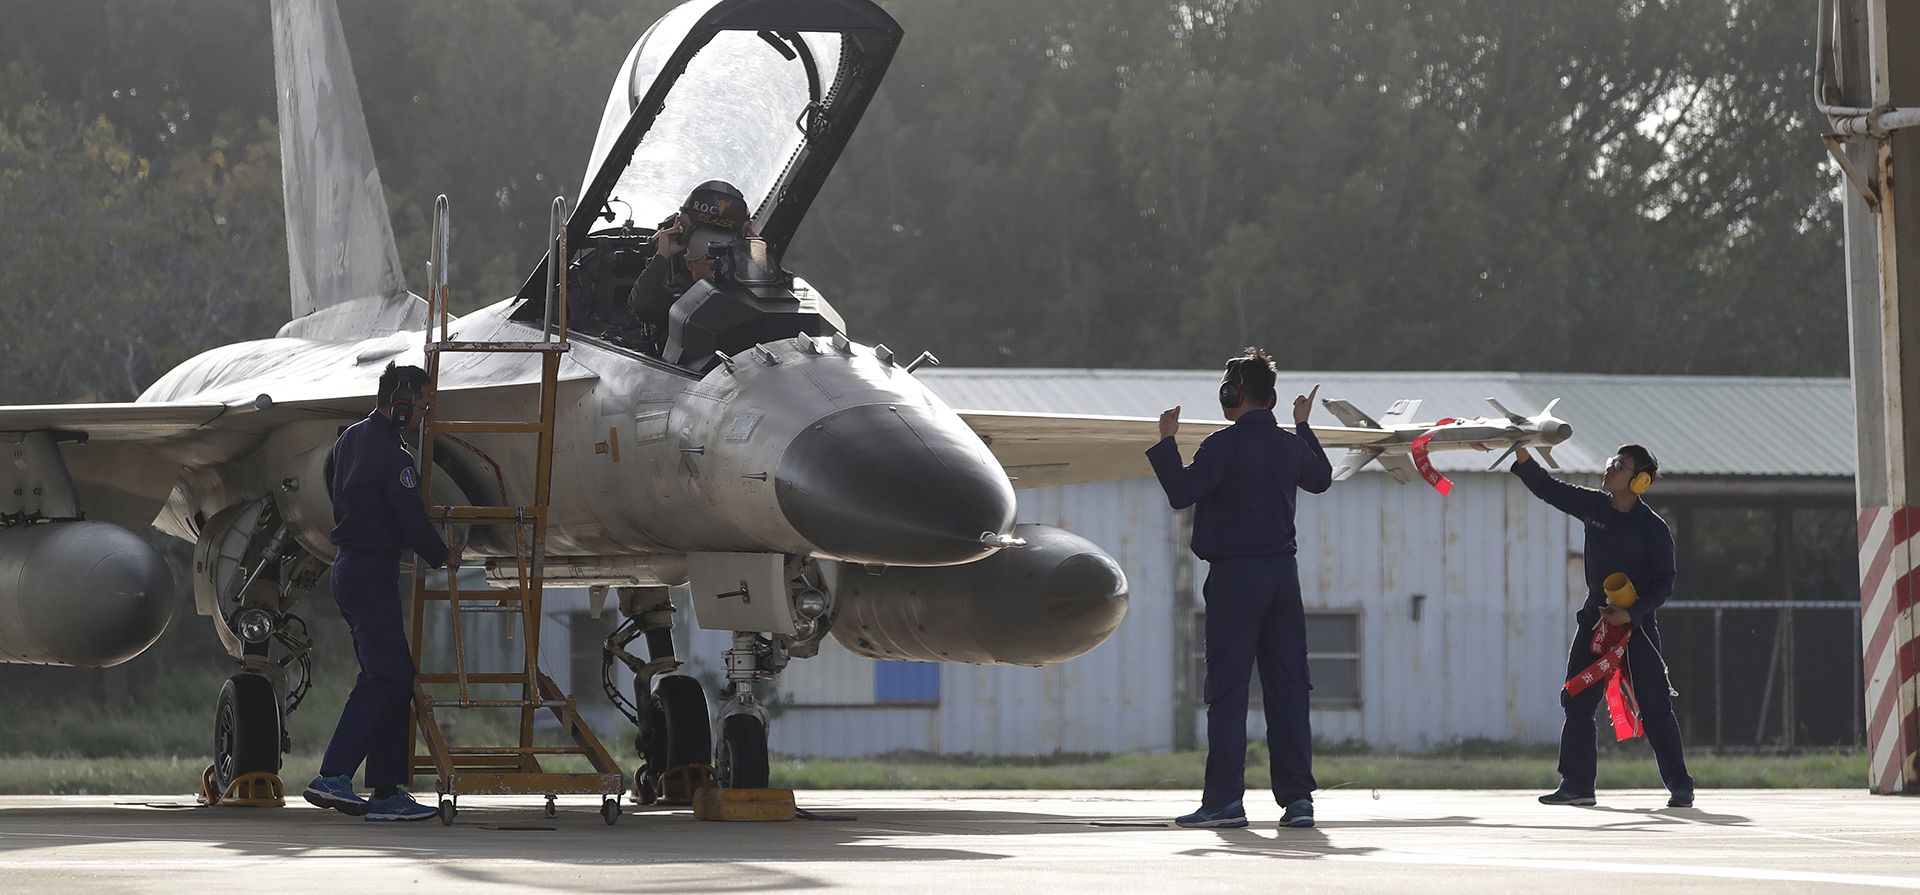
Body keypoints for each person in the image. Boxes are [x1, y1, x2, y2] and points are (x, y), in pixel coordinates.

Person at [1146, 347, 1333, 829]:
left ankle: (1225, 801)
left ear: (1235, 393)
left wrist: (1167, 442)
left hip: (1235, 577)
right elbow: (1322, 478)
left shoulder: (1220, 446)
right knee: (1289, 687)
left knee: (1227, 690)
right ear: (1271, 399)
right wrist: (1304, 425)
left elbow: (1181, 493)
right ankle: (1298, 801)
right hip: (1282, 577)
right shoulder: (1291, 445)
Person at [302, 362, 459, 822]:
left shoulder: (351, 437)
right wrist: (442, 554)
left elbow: (333, 484)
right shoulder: (393, 455)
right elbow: (411, 519)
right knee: (387, 676)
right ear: (404, 404)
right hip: (370, 572)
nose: (423, 416)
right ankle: (332, 776)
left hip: (350, 567)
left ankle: (388, 792)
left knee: (394, 675)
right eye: (423, 406)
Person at [1513, 443, 1694, 809]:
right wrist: (1522, 455)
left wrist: (1632, 613)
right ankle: (1577, 785)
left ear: (1640, 481)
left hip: (1637, 627)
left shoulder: (1654, 529)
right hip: (1595, 620)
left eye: (1619, 465)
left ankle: (1680, 786)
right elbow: (1550, 489)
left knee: (1655, 706)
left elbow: (1665, 583)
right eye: (1611, 462)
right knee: (1577, 699)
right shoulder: (1595, 506)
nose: (1609, 468)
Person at [626, 179, 751, 351]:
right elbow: (642, 305)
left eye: (725, 258)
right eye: (710, 260)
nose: (720, 265)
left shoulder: (746, 291)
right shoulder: (679, 299)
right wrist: (663, 255)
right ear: (690, 264)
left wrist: (755, 251)